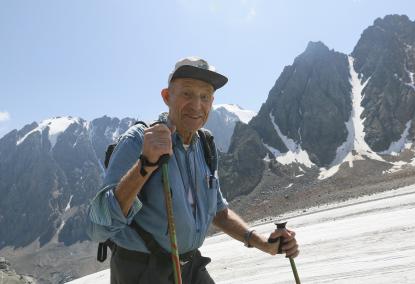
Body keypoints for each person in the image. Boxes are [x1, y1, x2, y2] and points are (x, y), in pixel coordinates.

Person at [87, 56, 299, 283]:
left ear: (212, 101)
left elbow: (218, 211)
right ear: (167, 97)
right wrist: (145, 165)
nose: (197, 105)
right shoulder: (138, 141)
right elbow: (98, 228)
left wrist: (263, 243)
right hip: (142, 271)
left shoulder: (204, 145)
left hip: (189, 266)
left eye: (205, 96)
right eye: (187, 93)